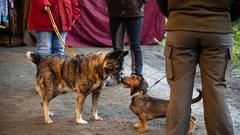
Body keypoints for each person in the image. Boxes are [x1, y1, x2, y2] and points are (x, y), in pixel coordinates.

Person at [156, 0, 240, 134]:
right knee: (215, 92)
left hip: (180, 28)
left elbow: (161, 2)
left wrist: (178, 16)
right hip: (218, 30)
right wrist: (221, 16)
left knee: (179, 93)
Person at [105, 0, 147, 85]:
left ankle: (137, 75)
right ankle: (116, 75)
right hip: (115, 12)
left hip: (134, 11)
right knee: (117, 47)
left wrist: (139, 2)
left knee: (135, 45)